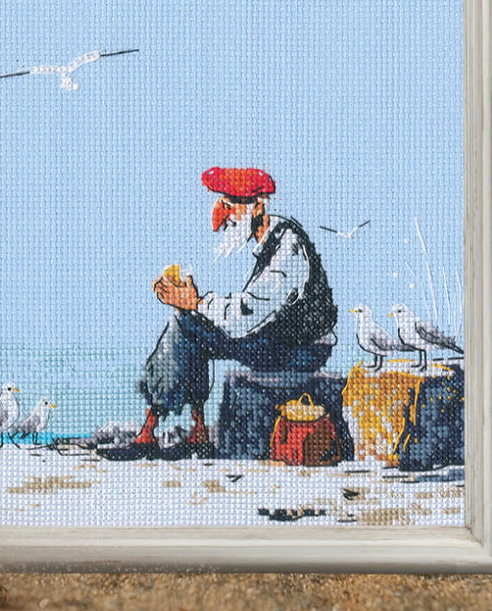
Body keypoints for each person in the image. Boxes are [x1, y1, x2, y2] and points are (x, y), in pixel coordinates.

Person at [111, 166, 337, 460]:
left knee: (187, 323)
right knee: (189, 324)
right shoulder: (271, 240)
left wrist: (197, 303)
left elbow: (247, 314)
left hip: (300, 350)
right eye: (222, 205)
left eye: (230, 207)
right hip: (279, 341)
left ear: (257, 206)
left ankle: (150, 433)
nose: (223, 217)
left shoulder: (288, 249)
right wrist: (192, 304)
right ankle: (196, 431)